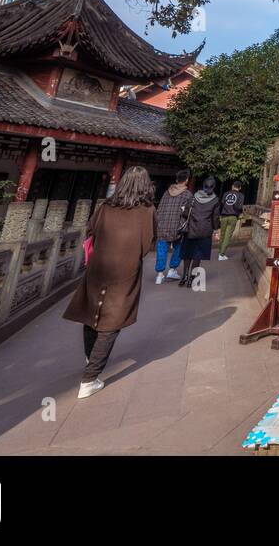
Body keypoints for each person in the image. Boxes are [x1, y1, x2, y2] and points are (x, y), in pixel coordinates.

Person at [63, 166, 156, 398]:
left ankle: (90, 358)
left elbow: (91, 229)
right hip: (125, 270)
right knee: (111, 322)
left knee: (92, 314)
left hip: (98, 267)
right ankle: (90, 377)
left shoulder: (106, 207)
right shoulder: (147, 211)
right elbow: (147, 244)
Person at [154, 169, 193, 284]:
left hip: (163, 225)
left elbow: (159, 209)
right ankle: (172, 269)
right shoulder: (187, 194)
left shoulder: (166, 193)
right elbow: (189, 212)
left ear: (176, 180)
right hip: (178, 226)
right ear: (186, 180)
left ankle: (159, 275)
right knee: (179, 247)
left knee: (161, 249)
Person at [179, 176, 219, 287]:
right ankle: (191, 279)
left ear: (203, 185)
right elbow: (215, 218)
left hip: (191, 229)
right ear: (214, 187)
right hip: (205, 231)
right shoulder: (215, 200)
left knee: (188, 253)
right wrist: (216, 229)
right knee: (198, 255)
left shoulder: (193, 197)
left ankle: (185, 276)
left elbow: (186, 213)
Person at [217, 179, 246, 261]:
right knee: (227, 235)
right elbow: (239, 207)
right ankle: (222, 254)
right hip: (233, 217)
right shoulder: (241, 195)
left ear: (232, 186)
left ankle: (220, 252)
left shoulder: (226, 194)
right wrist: (238, 211)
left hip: (224, 216)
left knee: (222, 234)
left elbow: (222, 204)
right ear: (239, 188)